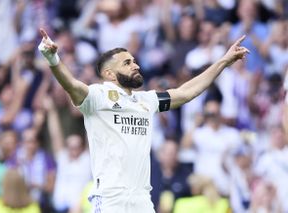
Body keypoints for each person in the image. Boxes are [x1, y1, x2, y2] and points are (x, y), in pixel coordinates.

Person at [38, 27, 249, 212]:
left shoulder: (147, 101)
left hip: (142, 201)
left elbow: (185, 93)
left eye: (135, 61)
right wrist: (53, 59)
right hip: (111, 200)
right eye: (127, 62)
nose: (136, 65)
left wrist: (223, 61)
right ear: (110, 74)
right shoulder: (97, 97)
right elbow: (72, 85)